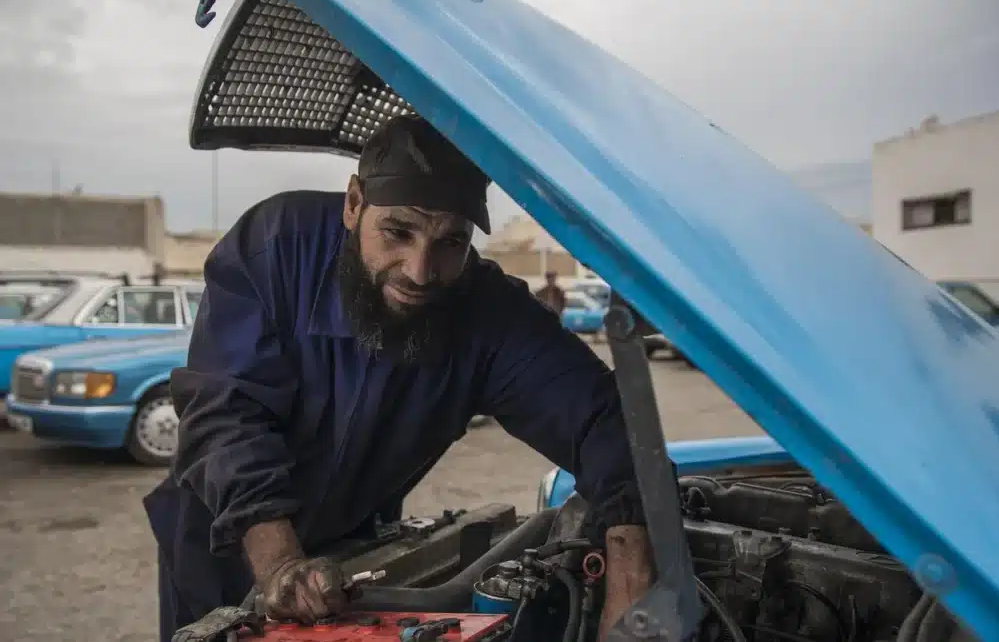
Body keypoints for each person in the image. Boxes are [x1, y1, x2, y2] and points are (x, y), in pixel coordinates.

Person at [143, 115, 653, 642]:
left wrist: (631, 575)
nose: (419, 270)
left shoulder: (488, 313)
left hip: (349, 554)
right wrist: (277, 562)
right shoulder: (274, 247)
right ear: (354, 204)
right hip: (219, 543)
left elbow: (601, 418)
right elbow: (226, 411)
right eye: (398, 232)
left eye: (450, 243)